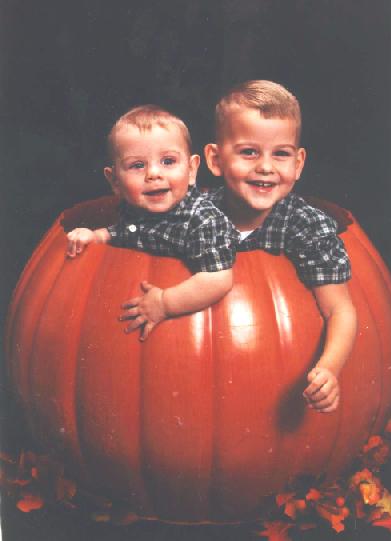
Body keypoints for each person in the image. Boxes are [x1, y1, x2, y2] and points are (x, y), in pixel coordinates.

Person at [204, 80, 357, 413]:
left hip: (275, 384)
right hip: (203, 378)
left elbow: (340, 310)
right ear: (215, 160)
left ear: (298, 163)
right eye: (249, 152)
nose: (266, 167)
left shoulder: (309, 227)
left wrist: (329, 368)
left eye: (281, 154)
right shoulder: (197, 213)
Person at [67, 105, 238, 340]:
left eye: (168, 161)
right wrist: (97, 236)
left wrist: (165, 304)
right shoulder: (136, 207)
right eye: (138, 165)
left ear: (191, 170)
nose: (153, 174)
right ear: (114, 180)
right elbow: (132, 230)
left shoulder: (203, 221)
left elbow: (218, 280)